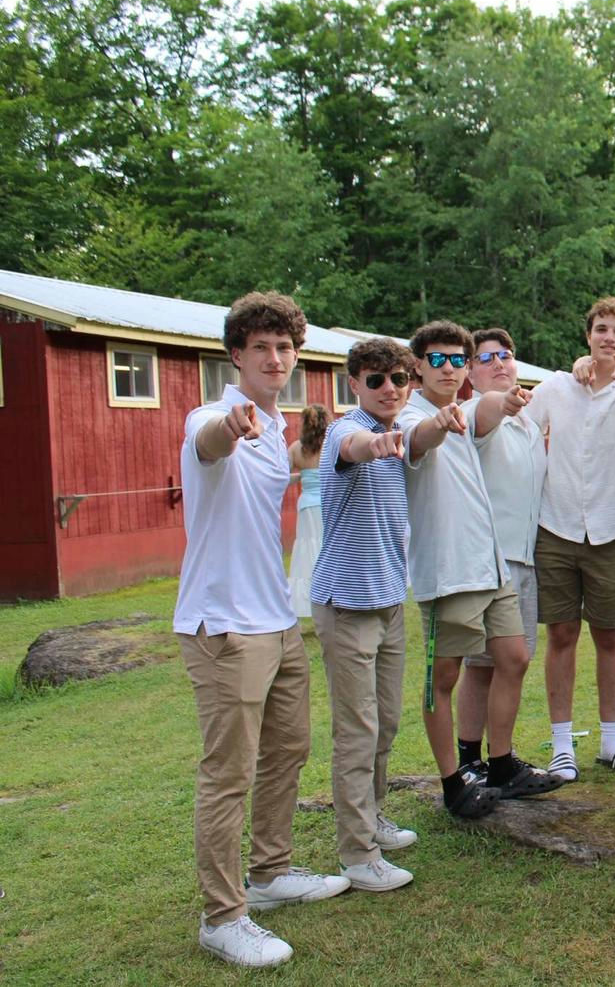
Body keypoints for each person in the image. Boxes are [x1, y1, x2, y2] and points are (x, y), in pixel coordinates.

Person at [174, 292, 347, 968]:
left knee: (289, 751)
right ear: (236, 355)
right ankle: (222, 917)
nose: (275, 359)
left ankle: (271, 874)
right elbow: (208, 444)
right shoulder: (215, 415)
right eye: (261, 348)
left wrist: (303, 447)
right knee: (228, 774)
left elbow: (285, 477)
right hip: (223, 627)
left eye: (285, 348)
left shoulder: (275, 431)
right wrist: (234, 426)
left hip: (276, 620)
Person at [400, 320, 552, 816]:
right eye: (437, 359)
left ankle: (502, 762)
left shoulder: (461, 408)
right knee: (443, 677)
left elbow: (483, 411)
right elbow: (422, 439)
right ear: (417, 366)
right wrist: (494, 405)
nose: (448, 368)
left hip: (493, 566)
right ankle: (453, 780)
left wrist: (504, 405)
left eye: (457, 360)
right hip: (449, 571)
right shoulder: (412, 416)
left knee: (513, 657)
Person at [526, 297, 615, 780]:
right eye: (602, 329)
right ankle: (562, 744)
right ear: (588, 335)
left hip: (614, 528)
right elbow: (521, 432)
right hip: (557, 526)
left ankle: (611, 740)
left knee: (610, 634)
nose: (610, 337)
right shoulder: (556, 388)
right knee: (561, 634)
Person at [310, 338, 420, 894]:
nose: (388, 388)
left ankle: (373, 814)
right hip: (346, 603)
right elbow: (350, 447)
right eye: (376, 379)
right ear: (354, 383)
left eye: (399, 378)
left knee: (387, 721)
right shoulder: (344, 431)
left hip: (387, 600)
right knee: (358, 730)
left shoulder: (402, 431)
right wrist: (373, 446)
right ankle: (358, 853)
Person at [453, 329, 564, 794]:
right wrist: (506, 403)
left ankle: (476, 759)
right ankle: (495, 761)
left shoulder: (525, 422)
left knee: (488, 666)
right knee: (506, 661)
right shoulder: (474, 413)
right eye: (486, 358)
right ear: (471, 372)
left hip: (521, 558)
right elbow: (487, 412)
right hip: (487, 560)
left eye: (506, 355)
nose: (499, 363)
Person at [286, 403, 330, 622]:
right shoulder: (331, 445)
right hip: (330, 504)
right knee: (328, 549)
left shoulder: (296, 448)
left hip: (307, 506)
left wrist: (303, 477)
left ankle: (309, 603)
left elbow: (281, 477)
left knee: (308, 552)